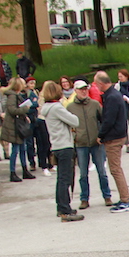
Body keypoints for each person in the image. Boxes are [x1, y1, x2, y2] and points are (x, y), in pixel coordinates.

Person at [39, 81, 85, 222]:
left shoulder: (47, 108)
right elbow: (75, 121)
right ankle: (65, 211)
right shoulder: (57, 108)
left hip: (56, 145)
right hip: (64, 145)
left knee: (61, 179)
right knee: (65, 179)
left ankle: (62, 207)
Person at [67, 80, 111, 210]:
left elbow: (103, 120)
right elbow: (68, 125)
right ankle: (84, 198)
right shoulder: (70, 108)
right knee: (83, 174)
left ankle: (107, 195)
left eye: (85, 89)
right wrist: (74, 137)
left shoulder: (95, 104)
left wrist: (101, 136)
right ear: (75, 91)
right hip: (80, 143)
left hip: (95, 143)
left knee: (102, 171)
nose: (84, 91)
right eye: (81, 89)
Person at [97, 72, 129, 212]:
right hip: (119, 134)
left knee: (115, 169)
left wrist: (100, 135)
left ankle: (126, 199)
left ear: (101, 83)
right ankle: (125, 197)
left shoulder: (111, 97)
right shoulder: (114, 94)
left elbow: (109, 119)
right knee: (116, 168)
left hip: (114, 137)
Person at [0, 77, 33, 182]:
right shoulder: (12, 96)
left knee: (22, 148)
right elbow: (12, 110)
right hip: (14, 126)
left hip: (18, 124)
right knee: (15, 150)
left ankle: (24, 169)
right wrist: (25, 109)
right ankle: (12, 172)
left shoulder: (16, 95)